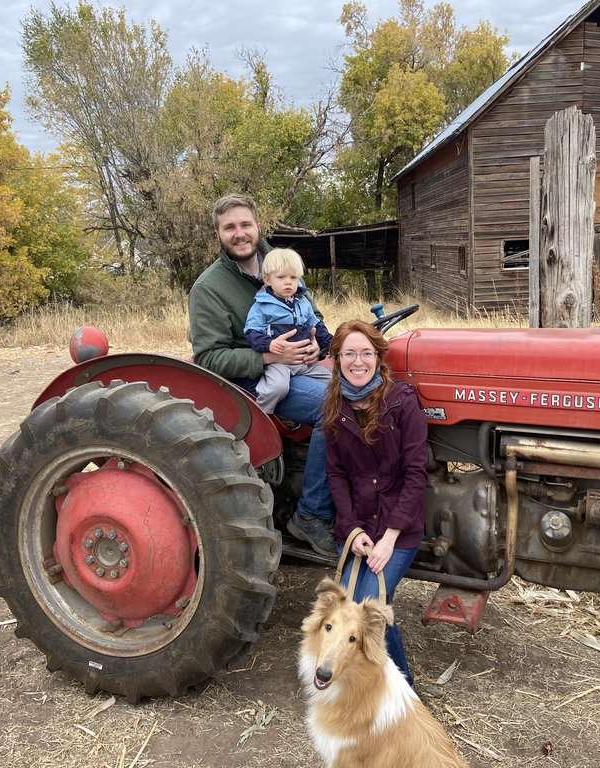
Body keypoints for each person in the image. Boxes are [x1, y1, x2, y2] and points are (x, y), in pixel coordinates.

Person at [188, 194, 336, 557]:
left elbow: (313, 316)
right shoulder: (208, 289)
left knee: (367, 389)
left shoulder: (285, 266)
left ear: (258, 226)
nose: (239, 234)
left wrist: (319, 345)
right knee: (335, 407)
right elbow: (208, 358)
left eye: (245, 224)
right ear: (218, 233)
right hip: (252, 380)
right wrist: (269, 355)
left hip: (300, 364)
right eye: (229, 227)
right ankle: (312, 516)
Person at [323, 319, 429, 686]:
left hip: (398, 528)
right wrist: (351, 530)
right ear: (337, 359)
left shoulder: (402, 404)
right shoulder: (334, 407)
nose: (358, 361)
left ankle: (402, 690)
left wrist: (389, 538)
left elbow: (417, 473)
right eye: (349, 353)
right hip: (357, 524)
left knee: (369, 606)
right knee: (345, 605)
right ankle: (354, 680)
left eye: (366, 353)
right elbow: (336, 475)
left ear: (378, 359)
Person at [244, 247, 333, 415]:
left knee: (333, 381)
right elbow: (252, 332)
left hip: (304, 362)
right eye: (281, 277)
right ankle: (261, 416)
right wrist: (269, 344)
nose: (288, 282)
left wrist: (331, 343)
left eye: (293, 277)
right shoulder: (261, 306)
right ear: (268, 280)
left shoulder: (302, 303)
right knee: (277, 388)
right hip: (279, 363)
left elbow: (316, 325)